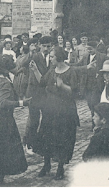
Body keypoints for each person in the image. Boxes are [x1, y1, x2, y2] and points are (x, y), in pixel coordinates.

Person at [30, 46, 79, 180]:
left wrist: (62, 86)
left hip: (64, 112)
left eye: (52, 57)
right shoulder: (52, 71)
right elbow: (42, 82)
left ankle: (60, 168)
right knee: (47, 137)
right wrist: (35, 70)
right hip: (50, 110)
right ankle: (46, 165)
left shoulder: (70, 72)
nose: (50, 59)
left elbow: (75, 92)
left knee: (62, 139)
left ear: (59, 57)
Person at [0, 54, 30, 185]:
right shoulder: (4, 83)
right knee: (6, 147)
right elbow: (4, 103)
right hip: (5, 119)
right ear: (7, 69)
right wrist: (21, 103)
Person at [23, 36, 53, 153]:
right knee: (34, 120)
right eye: (44, 46)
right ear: (39, 45)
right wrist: (30, 53)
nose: (46, 48)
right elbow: (23, 63)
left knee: (46, 118)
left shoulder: (52, 57)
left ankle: (40, 142)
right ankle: (29, 144)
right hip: (34, 92)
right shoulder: (34, 56)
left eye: (48, 46)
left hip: (46, 93)